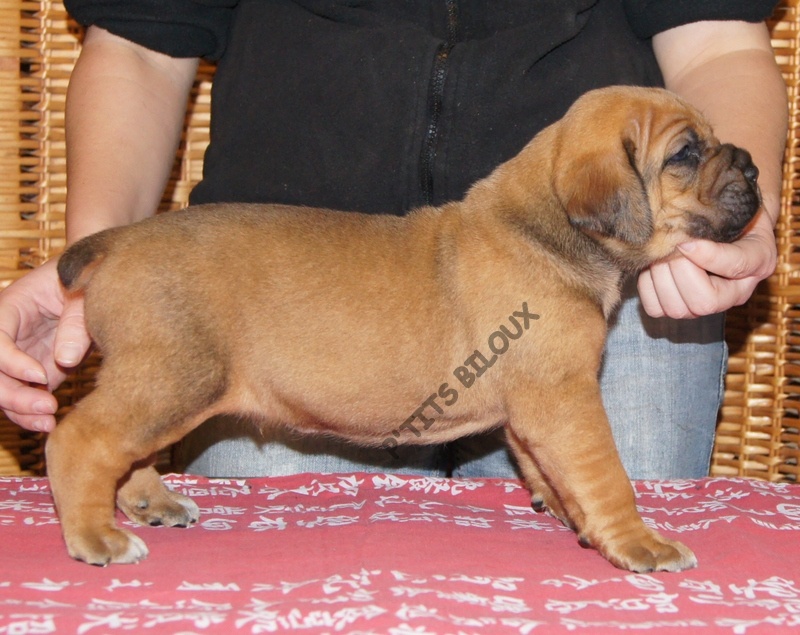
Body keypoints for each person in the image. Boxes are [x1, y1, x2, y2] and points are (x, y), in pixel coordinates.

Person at [0, 0, 786, 479]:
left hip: (610, 279)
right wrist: (101, 268)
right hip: (284, 302)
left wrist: (739, 224)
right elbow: (141, 44)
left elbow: (719, 43)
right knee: (282, 595)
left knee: (622, 587)